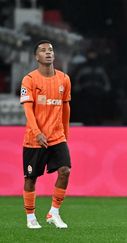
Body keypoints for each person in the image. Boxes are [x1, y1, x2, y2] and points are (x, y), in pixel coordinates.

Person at [19, 40, 72, 229]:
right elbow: (28, 109)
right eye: (43, 50)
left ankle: (54, 212)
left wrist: (65, 133)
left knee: (65, 171)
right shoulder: (29, 80)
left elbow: (65, 107)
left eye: (50, 50)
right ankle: (30, 217)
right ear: (36, 57)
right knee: (31, 179)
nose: (48, 53)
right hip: (35, 139)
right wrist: (37, 132)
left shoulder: (64, 79)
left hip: (57, 137)